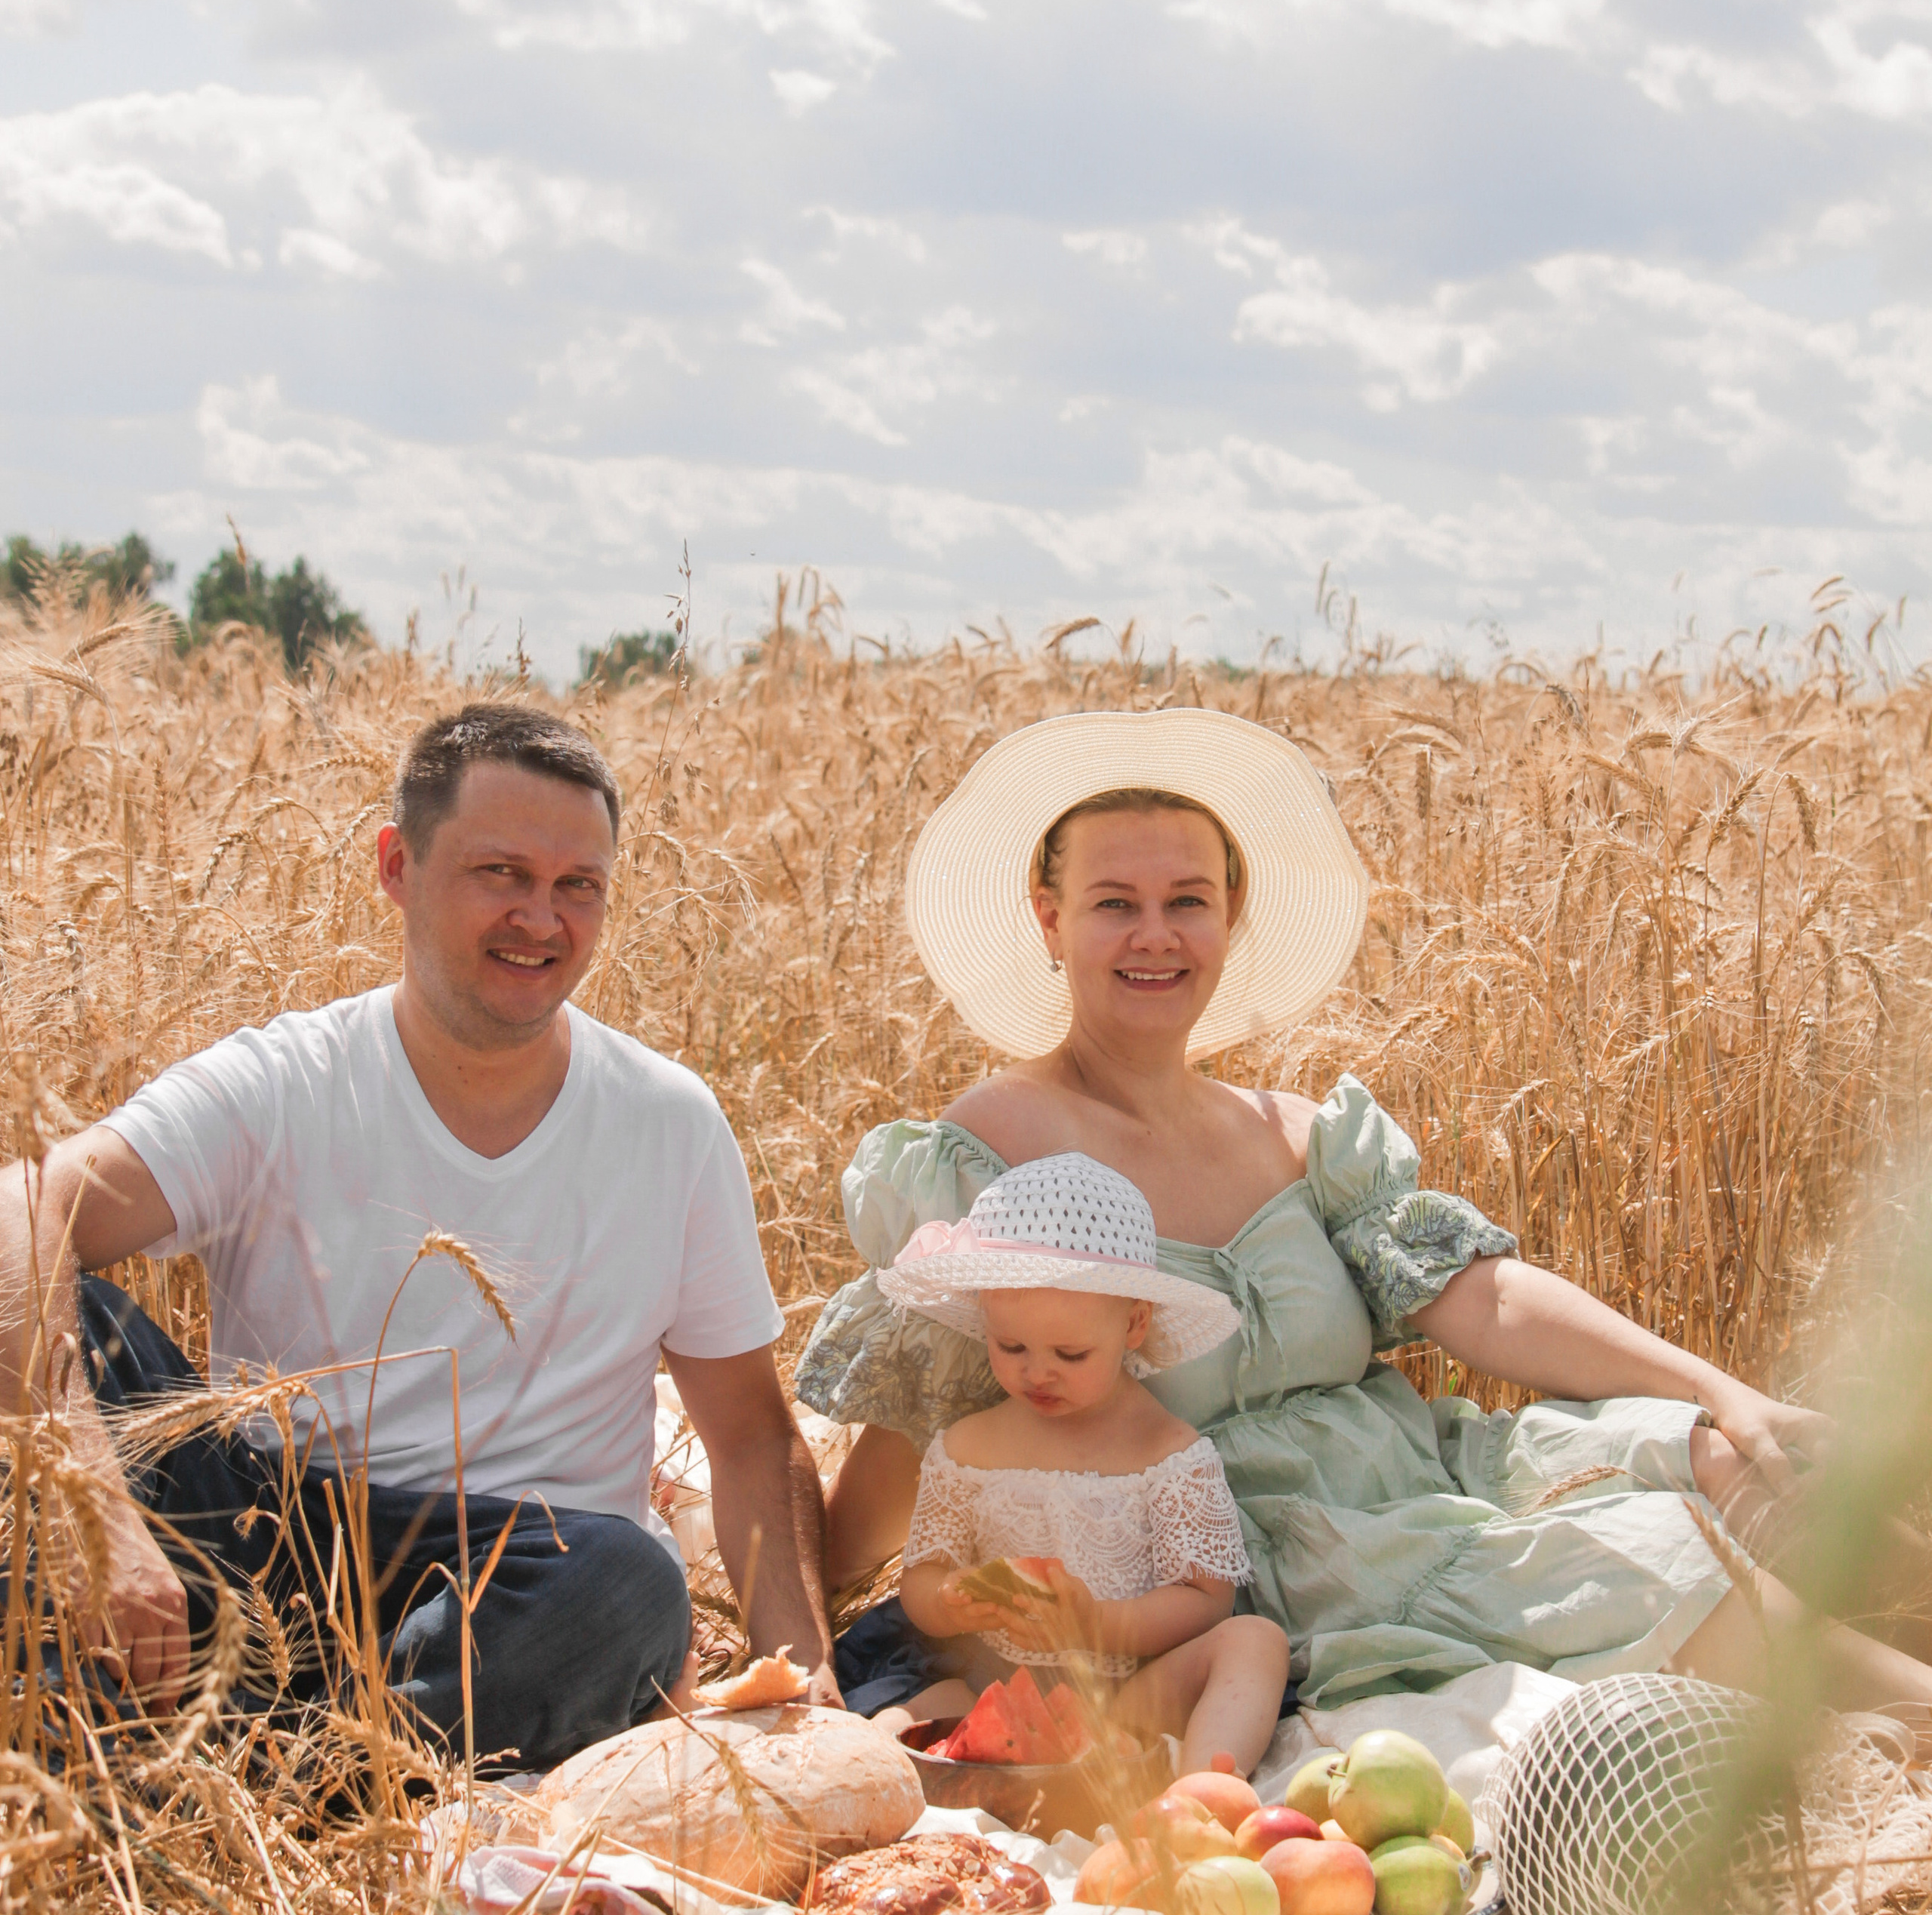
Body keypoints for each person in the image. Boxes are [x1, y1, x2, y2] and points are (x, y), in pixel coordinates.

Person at [798, 707, 1932, 1723]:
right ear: (1049, 921)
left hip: (1422, 1469)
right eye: (1114, 904)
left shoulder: (1301, 1133)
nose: (1157, 934)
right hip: (1289, 1542)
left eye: (1188, 900)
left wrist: (1726, 1394)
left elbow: (1482, 1298)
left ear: (1231, 913)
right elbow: (934, 1399)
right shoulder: (995, 1145)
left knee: (1732, 1461)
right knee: (1655, 1560)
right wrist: (807, 1600)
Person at [0, 700, 838, 1769]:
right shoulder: (284, 1082)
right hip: (260, 1535)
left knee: (630, 1585)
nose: (541, 918)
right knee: (67, 1319)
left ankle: (255, 1770)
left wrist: (807, 1679)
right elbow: (23, 1206)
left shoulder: (668, 1122)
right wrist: (100, 1524)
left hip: (520, 1578)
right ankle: (284, 1762)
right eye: (502, 873)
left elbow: (753, 1437)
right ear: (397, 866)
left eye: (577, 886)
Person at [881, 1151, 1289, 1776]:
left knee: (1255, 1644)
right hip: (991, 1681)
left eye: (1070, 1353)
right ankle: (881, 1771)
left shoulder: (1169, 1453)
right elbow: (921, 1574)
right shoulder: (967, 1448)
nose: (1036, 1371)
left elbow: (1206, 1599)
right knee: (907, 1711)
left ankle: (1208, 1789)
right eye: (1010, 1345)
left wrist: (1099, 1625)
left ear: (1134, 1324)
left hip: (1129, 1693)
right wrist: (948, 1599)